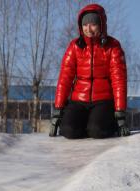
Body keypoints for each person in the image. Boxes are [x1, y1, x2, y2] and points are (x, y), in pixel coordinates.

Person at [49, 3, 130, 139]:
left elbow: (119, 80)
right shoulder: (75, 47)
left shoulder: (113, 47)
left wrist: (120, 112)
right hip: (78, 100)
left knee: (97, 131)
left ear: (101, 25)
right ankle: (85, 124)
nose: (88, 28)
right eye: (85, 25)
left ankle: (104, 124)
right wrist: (58, 110)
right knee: (68, 130)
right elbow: (65, 78)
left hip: (103, 100)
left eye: (93, 24)